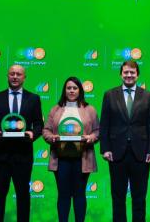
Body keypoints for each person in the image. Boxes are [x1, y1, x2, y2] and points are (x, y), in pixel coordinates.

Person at [0, 65, 44, 222]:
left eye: (18, 74)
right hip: (0, 155)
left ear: (24, 77)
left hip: (23, 155)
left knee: (23, 194)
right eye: (12, 74)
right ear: (7, 76)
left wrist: (33, 133)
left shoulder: (34, 98)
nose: (15, 76)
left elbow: (38, 124)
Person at [99, 61, 150, 222]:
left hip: (141, 154)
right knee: (118, 198)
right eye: (126, 72)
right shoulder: (110, 95)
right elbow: (104, 124)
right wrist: (105, 149)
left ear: (137, 75)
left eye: (132, 72)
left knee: (139, 198)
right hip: (116, 154)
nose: (129, 75)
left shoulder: (149, 96)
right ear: (121, 74)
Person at [43, 77, 99, 222]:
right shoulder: (55, 109)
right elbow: (46, 131)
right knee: (63, 195)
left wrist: (91, 137)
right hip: (61, 158)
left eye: (75, 88)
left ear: (80, 90)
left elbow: (98, 131)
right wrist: (52, 137)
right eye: (69, 88)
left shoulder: (89, 109)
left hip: (82, 158)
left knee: (80, 194)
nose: (72, 91)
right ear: (65, 90)